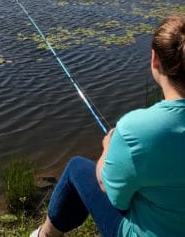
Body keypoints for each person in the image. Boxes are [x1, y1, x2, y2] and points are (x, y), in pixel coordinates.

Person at [31, 13, 185, 237]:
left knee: (76, 167)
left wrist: (108, 149)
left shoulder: (136, 129)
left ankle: (44, 235)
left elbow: (114, 195)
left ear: (155, 60)